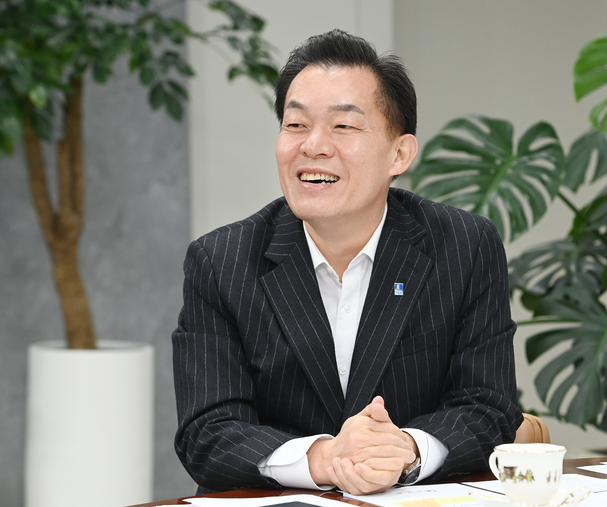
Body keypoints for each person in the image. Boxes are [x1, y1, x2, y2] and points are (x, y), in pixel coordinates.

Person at [172, 29, 522, 496]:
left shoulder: (464, 246)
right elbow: (207, 433)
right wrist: (325, 458)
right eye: (296, 125)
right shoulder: (222, 261)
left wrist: (405, 450)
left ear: (399, 153)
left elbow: (489, 408)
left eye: (343, 126)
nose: (313, 145)